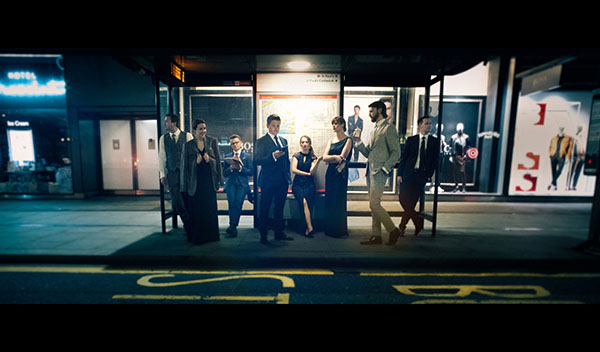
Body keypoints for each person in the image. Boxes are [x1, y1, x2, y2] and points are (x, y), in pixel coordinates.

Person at [354, 101, 403, 245]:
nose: (369, 114)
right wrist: (358, 142)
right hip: (370, 171)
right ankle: (376, 235)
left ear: (380, 110)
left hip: (380, 172)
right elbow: (369, 152)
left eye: (371, 111)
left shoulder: (389, 129)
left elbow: (396, 152)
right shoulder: (374, 130)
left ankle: (393, 230)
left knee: (374, 204)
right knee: (372, 204)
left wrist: (385, 168)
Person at [180, 119, 223, 245]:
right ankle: (198, 237)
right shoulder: (187, 146)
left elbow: (218, 161)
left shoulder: (212, 141)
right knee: (197, 210)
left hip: (209, 182)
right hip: (195, 183)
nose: (203, 131)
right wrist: (196, 163)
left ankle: (211, 236)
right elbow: (184, 167)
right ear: (194, 131)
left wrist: (210, 160)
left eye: (204, 128)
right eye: (200, 129)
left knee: (209, 208)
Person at [397, 116, 439, 239]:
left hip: (421, 176)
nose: (429, 126)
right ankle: (417, 221)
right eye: (426, 123)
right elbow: (403, 158)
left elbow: (435, 161)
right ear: (420, 125)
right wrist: (399, 173)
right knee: (403, 199)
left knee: (411, 203)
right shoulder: (411, 140)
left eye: (430, 124)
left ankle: (402, 227)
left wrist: (429, 175)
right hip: (407, 175)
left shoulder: (434, 141)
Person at [254, 114, 293, 244]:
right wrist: (273, 156)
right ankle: (263, 235)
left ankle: (279, 232)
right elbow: (257, 160)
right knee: (265, 207)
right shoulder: (261, 141)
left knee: (279, 207)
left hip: (282, 181)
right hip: (268, 181)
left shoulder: (283, 141)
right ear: (267, 126)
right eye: (273, 126)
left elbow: (286, 162)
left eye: (278, 126)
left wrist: (288, 179)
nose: (276, 129)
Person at [158, 113, 193, 228]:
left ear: (174, 123)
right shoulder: (163, 138)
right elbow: (162, 157)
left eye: (167, 121)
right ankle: (188, 225)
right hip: (172, 173)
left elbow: (192, 155)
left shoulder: (187, 136)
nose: (165, 124)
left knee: (187, 199)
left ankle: (190, 226)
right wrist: (162, 174)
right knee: (177, 200)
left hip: (185, 174)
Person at [323, 116, 353, 238]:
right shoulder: (331, 140)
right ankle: (330, 228)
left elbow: (343, 157)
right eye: (333, 124)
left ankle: (339, 229)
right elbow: (324, 157)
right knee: (330, 199)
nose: (334, 126)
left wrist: (333, 158)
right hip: (330, 173)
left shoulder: (348, 140)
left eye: (336, 123)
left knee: (338, 200)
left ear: (342, 125)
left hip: (340, 173)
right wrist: (335, 158)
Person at [223, 134, 253, 238]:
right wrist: (231, 168)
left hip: (242, 184)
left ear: (241, 143)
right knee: (231, 204)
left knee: (238, 203)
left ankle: (232, 226)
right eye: (232, 143)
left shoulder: (247, 156)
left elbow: (251, 172)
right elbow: (224, 173)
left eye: (236, 143)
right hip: (231, 183)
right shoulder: (227, 156)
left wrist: (240, 168)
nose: (235, 145)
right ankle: (233, 226)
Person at [291, 136, 322, 237]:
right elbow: (293, 170)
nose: (304, 144)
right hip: (298, 184)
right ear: (300, 144)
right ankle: (310, 227)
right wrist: (306, 174)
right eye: (303, 142)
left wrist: (317, 162)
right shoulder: (296, 155)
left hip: (309, 184)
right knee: (304, 202)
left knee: (308, 204)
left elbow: (312, 172)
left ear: (309, 144)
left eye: (306, 142)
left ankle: (306, 228)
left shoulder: (313, 157)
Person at [450, 122, 471, 193]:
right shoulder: (453, 137)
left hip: (463, 156)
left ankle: (464, 187)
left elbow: (469, 147)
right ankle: (456, 186)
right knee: (455, 172)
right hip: (456, 156)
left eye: (461, 130)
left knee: (462, 172)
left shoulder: (466, 137)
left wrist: (467, 155)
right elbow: (451, 147)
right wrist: (452, 156)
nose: (460, 131)